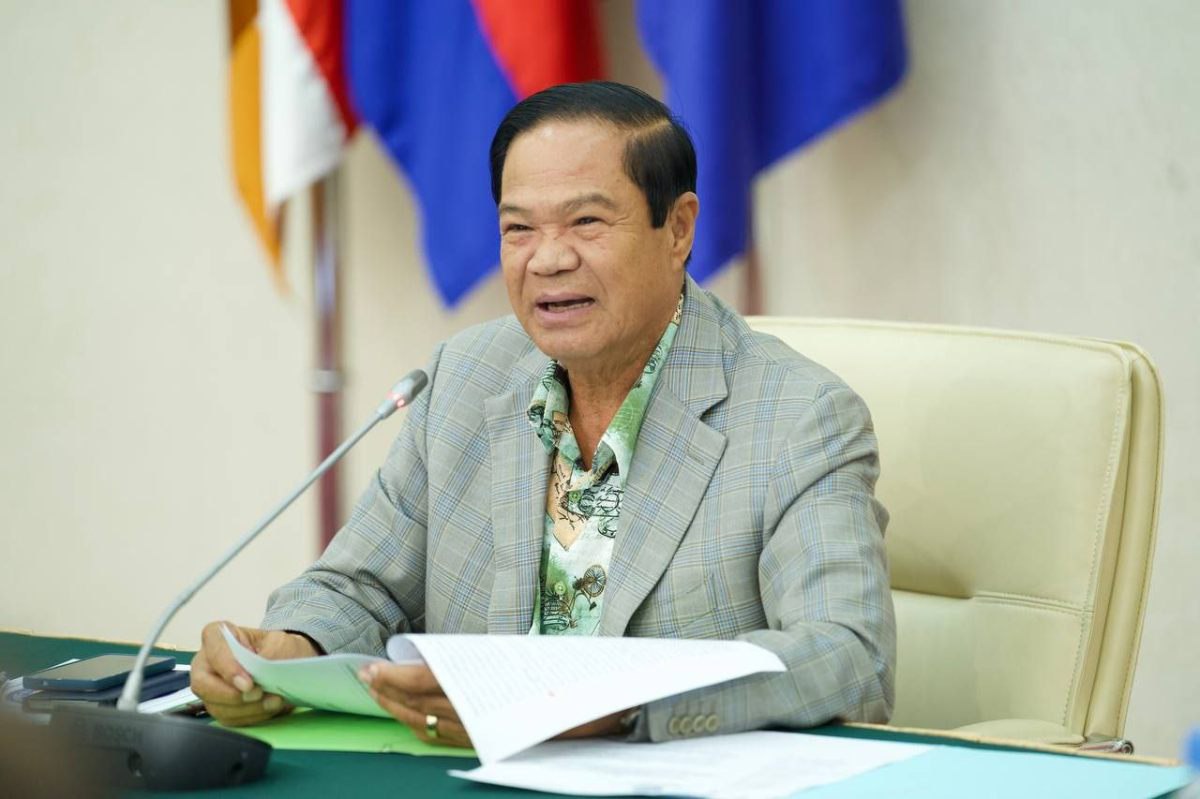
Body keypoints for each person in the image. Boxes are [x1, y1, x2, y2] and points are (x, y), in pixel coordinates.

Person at [191, 81, 895, 746]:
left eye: (587, 221)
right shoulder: (463, 379)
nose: (548, 259)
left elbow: (849, 657)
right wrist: (290, 648)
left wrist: (613, 708)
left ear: (678, 228)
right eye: (519, 228)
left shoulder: (800, 417)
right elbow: (361, 588)